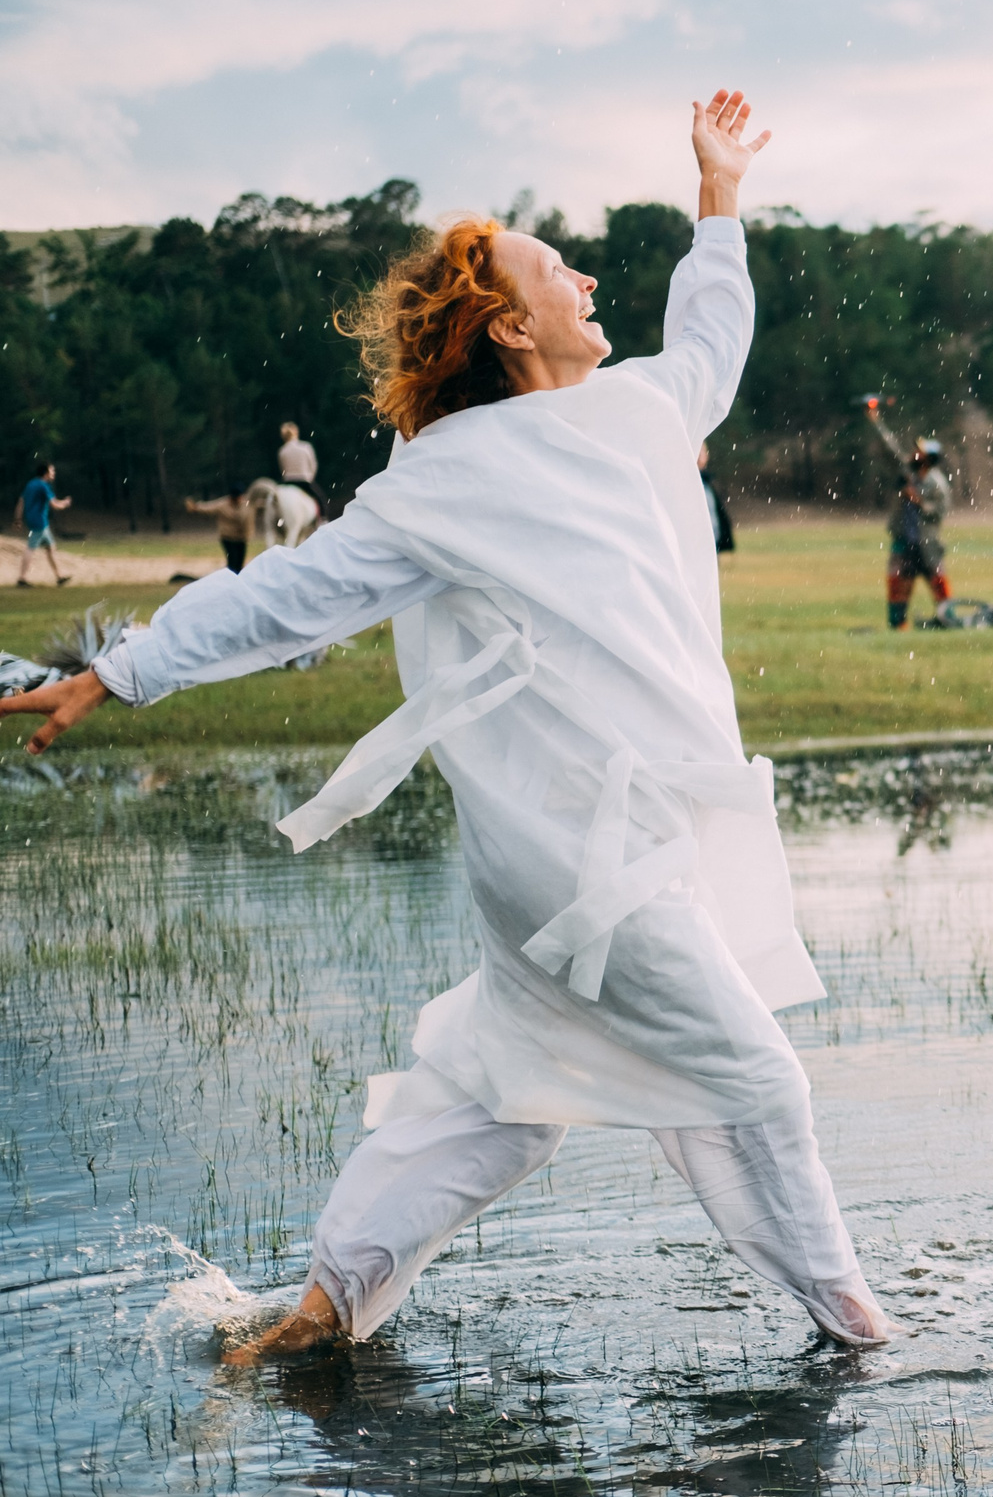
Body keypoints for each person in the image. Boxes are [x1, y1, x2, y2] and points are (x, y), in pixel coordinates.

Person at [0, 89, 896, 1364]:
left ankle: (318, 1313)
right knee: (755, 1082)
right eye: (556, 270)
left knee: (503, 1099)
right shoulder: (447, 479)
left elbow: (711, 339)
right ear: (510, 326)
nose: (588, 277)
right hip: (581, 861)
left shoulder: (636, 412)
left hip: (627, 842)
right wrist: (121, 673)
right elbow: (285, 597)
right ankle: (858, 1339)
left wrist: (720, 197)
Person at [886, 439, 951, 629]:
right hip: (905, 541)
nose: (914, 453)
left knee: (939, 585)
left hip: (927, 544)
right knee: (898, 585)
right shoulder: (910, 474)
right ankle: (898, 625)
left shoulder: (937, 483)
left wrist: (919, 501)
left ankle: (948, 621)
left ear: (927, 459)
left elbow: (940, 511)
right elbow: (892, 448)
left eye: (919, 452)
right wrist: (875, 420)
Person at [16, 464, 70, 587]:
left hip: (37, 522)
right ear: (45, 473)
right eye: (52, 471)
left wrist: (18, 519)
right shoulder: (43, 486)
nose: (53, 473)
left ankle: (59, 577)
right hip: (39, 522)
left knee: (51, 548)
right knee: (30, 549)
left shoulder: (31, 484)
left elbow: (21, 501)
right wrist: (65, 503)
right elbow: (55, 505)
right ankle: (22, 579)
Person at [184, 484, 258, 573]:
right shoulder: (223, 505)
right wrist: (196, 507)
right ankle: (230, 579)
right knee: (232, 561)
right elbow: (208, 507)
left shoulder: (247, 503)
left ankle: (237, 579)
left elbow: (260, 505)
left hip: (241, 538)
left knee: (239, 562)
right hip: (228, 538)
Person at [697, 442, 735, 554]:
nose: (700, 456)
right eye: (698, 452)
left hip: (713, 542)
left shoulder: (708, 482)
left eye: (702, 452)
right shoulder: (690, 483)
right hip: (699, 543)